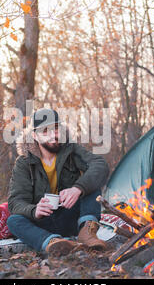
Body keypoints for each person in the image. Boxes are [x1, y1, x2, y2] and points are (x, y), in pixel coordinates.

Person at [7, 108, 110, 256]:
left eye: (55, 129)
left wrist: (77, 189)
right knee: (13, 221)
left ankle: (87, 234)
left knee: (91, 187)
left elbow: (100, 165)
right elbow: (16, 201)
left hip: (71, 218)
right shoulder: (24, 162)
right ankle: (52, 242)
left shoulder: (71, 150)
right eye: (45, 131)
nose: (53, 135)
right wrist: (34, 210)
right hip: (43, 222)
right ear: (34, 135)